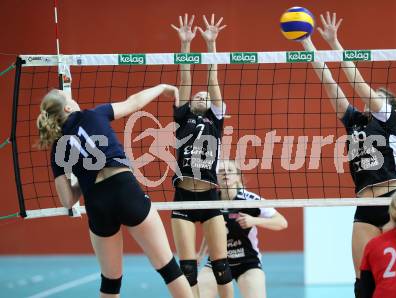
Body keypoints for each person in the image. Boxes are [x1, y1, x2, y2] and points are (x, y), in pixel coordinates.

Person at [36, 85, 193, 298]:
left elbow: (67, 200)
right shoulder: (93, 114)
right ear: (67, 109)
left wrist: (85, 175)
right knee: (169, 269)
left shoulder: (57, 148)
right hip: (123, 189)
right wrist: (162, 87)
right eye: (68, 98)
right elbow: (134, 102)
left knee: (110, 283)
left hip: (97, 202)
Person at [300, 12, 396, 297]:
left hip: (395, 200)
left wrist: (336, 44)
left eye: (380, 95)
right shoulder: (354, 120)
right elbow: (327, 81)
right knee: (363, 280)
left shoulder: (388, 117)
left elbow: (359, 85)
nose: (375, 97)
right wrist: (306, 42)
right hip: (365, 203)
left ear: (389, 104)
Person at [170, 14, 233, 298]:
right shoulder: (183, 118)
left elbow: (213, 77)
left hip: (209, 196)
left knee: (221, 266)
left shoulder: (215, 120)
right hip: (184, 196)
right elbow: (185, 77)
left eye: (204, 97)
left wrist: (211, 44)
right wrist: (185, 45)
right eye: (196, 96)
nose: (200, 96)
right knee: (187, 268)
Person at [197, 160, 288, 298]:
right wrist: (201, 253)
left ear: (238, 176)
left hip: (247, 263)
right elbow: (210, 229)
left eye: (229, 171)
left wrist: (254, 221)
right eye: (221, 172)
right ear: (215, 178)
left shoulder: (250, 200)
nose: (225, 174)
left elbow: (282, 222)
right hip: (217, 261)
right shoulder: (211, 201)